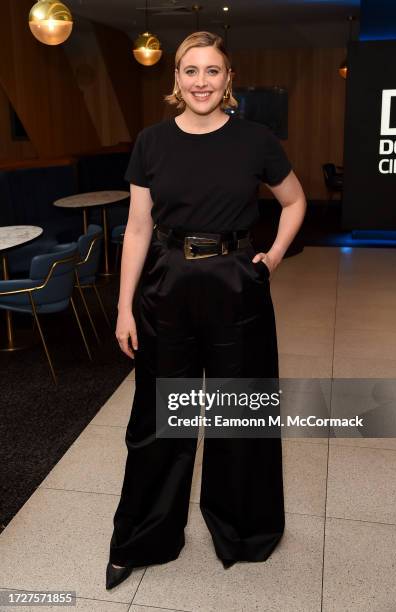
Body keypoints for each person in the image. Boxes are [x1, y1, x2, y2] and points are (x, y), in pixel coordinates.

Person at [106, 31, 306, 590]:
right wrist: (124, 307)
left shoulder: (256, 139)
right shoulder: (150, 142)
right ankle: (143, 536)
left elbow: (294, 202)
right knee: (157, 418)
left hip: (236, 285)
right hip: (166, 285)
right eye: (190, 71)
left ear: (228, 80)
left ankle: (242, 530)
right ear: (175, 79)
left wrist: (271, 261)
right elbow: (140, 228)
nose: (201, 81)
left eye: (212, 71)